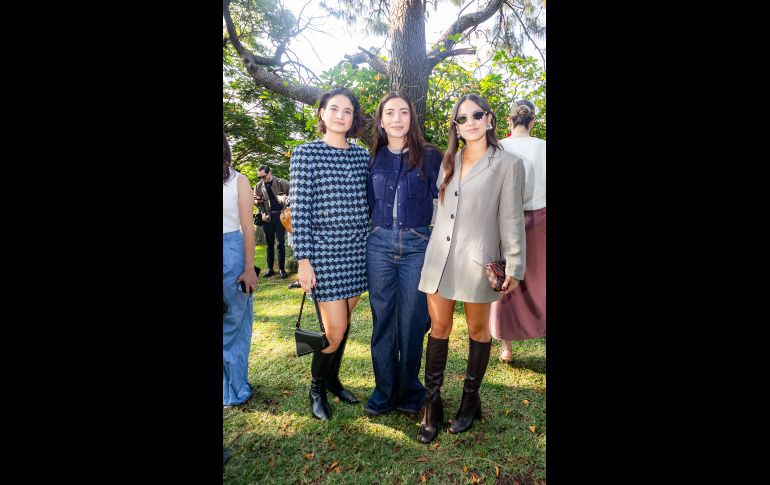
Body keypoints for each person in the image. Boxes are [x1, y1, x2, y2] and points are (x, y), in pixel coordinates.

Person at [416, 94, 526, 443]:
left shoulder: (508, 164)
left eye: (477, 115)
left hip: (478, 261)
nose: (471, 122)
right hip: (440, 258)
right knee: (439, 328)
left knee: (478, 331)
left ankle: (469, 400)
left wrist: (515, 265)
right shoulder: (449, 160)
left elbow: (511, 220)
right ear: (456, 127)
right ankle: (432, 403)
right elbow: (440, 209)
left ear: (490, 118)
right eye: (462, 118)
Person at [289, 87, 370, 420]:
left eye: (347, 111)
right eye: (334, 109)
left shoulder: (362, 156)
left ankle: (333, 380)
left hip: (358, 253)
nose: (340, 115)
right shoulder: (306, 154)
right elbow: (300, 211)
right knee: (333, 331)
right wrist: (304, 261)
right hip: (324, 255)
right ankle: (316, 388)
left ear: (353, 118)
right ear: (322, 113)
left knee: (344, 324)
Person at [364, 92, 443, 416]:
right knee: (383, 320)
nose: (397, 118)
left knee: (413, 320)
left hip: (417, 245)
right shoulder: (373, 158)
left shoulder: (431, 156)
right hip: (379, 246)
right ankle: (384, 391)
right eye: (390, 113)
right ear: (381, 121)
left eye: (403, 112)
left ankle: (409, 391)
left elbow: (443, 202)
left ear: (412, 118)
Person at [490, 100, 547, 362]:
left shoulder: (499, 147)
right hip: (539, 219)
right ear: (532, 121)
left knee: (505, 277)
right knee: (539, 278)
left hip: (505, 219)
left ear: (509, 120)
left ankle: (507, 347)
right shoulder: (543, 147)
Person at [223, 132, 259, 407]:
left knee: (234, 320)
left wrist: (249, 268)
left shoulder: (239, 180)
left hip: (233, 255)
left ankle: (234, 386)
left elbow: (248, 227)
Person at [254, 165, 290, 278]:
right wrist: (258, 202)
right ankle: (270, 269)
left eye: (263, 176)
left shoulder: (282, 183)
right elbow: (255, 200)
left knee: (280, 244)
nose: (262, 179)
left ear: (270, 173)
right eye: (259, 177)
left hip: (280, 217)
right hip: (267, 218)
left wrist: (286, 200)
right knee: (269, 244)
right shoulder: (258, 186)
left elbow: (294, 196)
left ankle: (282, 269)